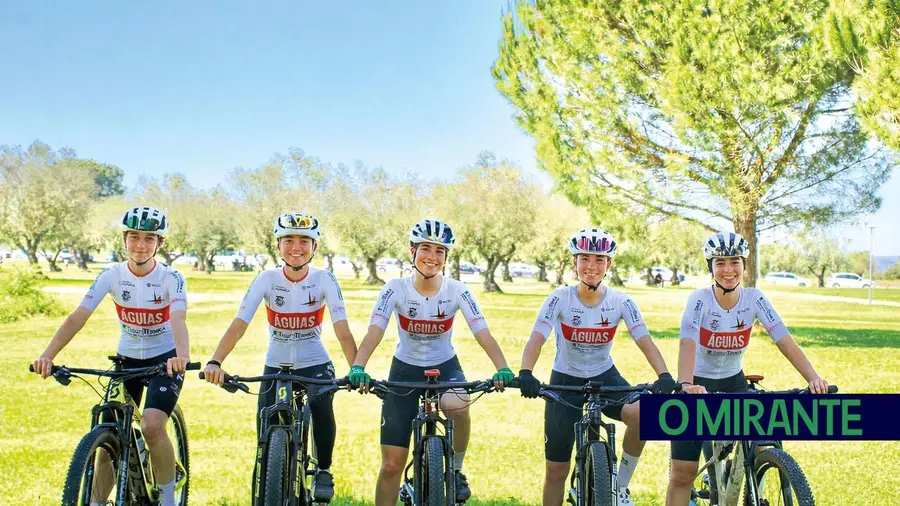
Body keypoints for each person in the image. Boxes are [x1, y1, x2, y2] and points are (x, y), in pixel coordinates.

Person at [347, 218, 515, 506]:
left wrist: (503, 367)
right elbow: (375, 330)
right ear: (412, 250)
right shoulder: (395, 288)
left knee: (458, 405)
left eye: (440, 251)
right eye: (426, 248)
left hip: (445, 366)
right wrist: (358, 366)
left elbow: (481, 331)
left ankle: (457, 469)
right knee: (391, 466)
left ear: (446, 257)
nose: (432, 257)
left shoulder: (457, 290)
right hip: (404, 369)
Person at [32, 206, 190, 506]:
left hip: (164, 361)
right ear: (124, 239)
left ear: (160, 244)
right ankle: (94, 501)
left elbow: (178, 318)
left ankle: (168, 498)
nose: (140, 245)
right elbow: (79, 316)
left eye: (148, 238)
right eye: (133, 237)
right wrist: (47, 355)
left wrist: (181, 356)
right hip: (125, 361)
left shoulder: (171, 277)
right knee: (107, 439)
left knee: (153, 426)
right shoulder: (112, 275)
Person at [665, 231, 830, 506]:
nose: (728, 270)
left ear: (744, 265)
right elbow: (687, 343)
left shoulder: (754, 299)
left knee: (763, 441)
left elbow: (784, 340)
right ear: (711, 268)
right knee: (683, 473)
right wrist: (685, 384)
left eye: (734, 262)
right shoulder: (699, 299)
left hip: (734, 383)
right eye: (720, 263)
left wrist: (814, 378)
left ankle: (748, 480)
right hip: (696, 385)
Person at [202, 211, 357, 503]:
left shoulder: (324, 279)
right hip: (276, 364)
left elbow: (342, 330)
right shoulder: (267, 279)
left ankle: (323, 470)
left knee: (321, 405)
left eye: (304, 241)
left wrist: (357, 368)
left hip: (315, 362)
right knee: (264, 422)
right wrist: (215, 361)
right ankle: (271, 475)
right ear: (277, 245)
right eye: (288, 240)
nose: (296, 247)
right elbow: (240, 324)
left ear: (315, 247)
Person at [517, 228, 677, 506]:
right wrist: (526, 372)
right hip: (565, 380)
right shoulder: (559, 298)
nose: (591, 266)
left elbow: (645, 340)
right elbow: (537, 339)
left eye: (599, 259)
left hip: (605, 376)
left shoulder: (621, 301)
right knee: (556, 470)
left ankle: (619, 486)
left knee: (643, 414)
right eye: (585, 259)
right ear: (574, 263)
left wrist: (663, 375)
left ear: (609, 264)